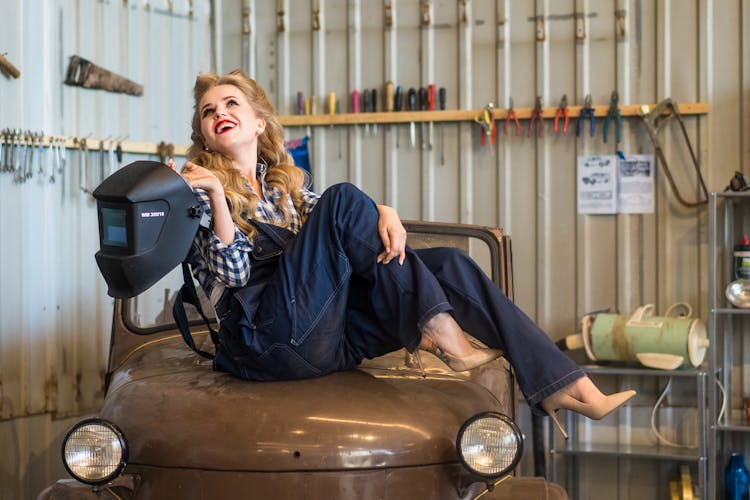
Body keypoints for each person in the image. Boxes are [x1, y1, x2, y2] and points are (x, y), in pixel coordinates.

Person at [174, 69, 635, 439]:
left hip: (328, 343)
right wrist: (217, 198)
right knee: (343, 198)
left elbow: (357, 229)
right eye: (208, 111)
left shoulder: (288, 189)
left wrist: (384, 210)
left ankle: (565, 385)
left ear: (259, 122)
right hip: (266, 346)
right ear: (205, 136)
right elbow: (233, 275)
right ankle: (438, 327)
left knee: (451, 265)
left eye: (232, 103)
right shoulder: (195, 196)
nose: (220, 113)